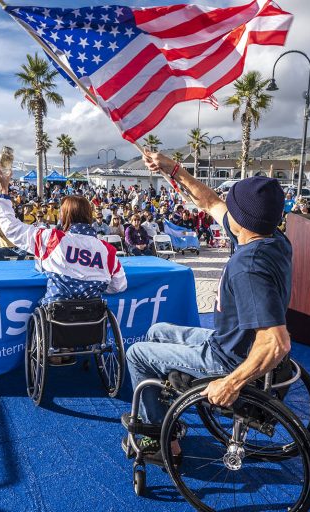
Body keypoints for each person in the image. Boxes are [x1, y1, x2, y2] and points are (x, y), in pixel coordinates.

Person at [127, 151, 291, 461]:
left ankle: (160, 439)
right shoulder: (271, 237)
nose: (224, 208)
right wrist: (174, 170)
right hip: (227, 341)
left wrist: (231, 383)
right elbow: (208, 202)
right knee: (158, 331)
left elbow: (277, 343)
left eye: (232, 207)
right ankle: (163, 406)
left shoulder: (249, 267)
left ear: (240, 220)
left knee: (136, 354)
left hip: (227, 359)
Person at [0, 161, 127, 305]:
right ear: (89, 216)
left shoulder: (52, 239)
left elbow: (11, 228)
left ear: (64, 217)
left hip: (57, 319)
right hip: (93, 320)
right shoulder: (107, 250)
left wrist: (3, 191)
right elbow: (119, 285)